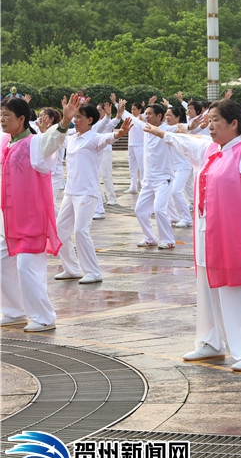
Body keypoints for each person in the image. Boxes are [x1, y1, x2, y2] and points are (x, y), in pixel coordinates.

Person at [144, 99, 241, 371]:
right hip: (208, 233)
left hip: (238, 238)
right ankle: (211, 342)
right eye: (210, 119)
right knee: (207, 287)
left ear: (234, 124)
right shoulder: (210, 150)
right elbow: (185, 141)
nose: (210, 124)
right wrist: (160, 132)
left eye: (216, 119)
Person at [1, 96, 81, 332]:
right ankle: (14, 311)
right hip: (8, 220)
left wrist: (64, 122)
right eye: (0, 115)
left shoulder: (34, 143)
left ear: (21, 119)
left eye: (6, 115)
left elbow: (51, 140)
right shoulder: (5, 141)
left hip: (31, 218)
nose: (2, 119)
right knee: (3, 262)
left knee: (27, 267)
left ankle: (44, 317)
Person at [53, 104, 132, 284]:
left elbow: (108, 138)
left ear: (90, 120)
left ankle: (93, 272)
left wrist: (120, 133)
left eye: (79, 117)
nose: (75, 120)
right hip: (70, 192)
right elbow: (57, 137)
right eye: (75, 117)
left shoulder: (94, 138)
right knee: (60, 231)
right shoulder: (72, 138)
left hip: (87, 193)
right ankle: (72, 269)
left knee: (80, 231)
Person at [131, 102, 177, 249]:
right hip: (148, 180)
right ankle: (150, 238)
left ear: (159, 116)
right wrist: (118, 111)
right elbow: (133, 120)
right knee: (140, 211)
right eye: (146, 113)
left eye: (150, 113)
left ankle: (168, 240)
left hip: (163, 179)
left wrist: (193, 126)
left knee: (159, 210)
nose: (147, 116)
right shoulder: (145, 128)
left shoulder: (166, 129)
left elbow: (180, 128)